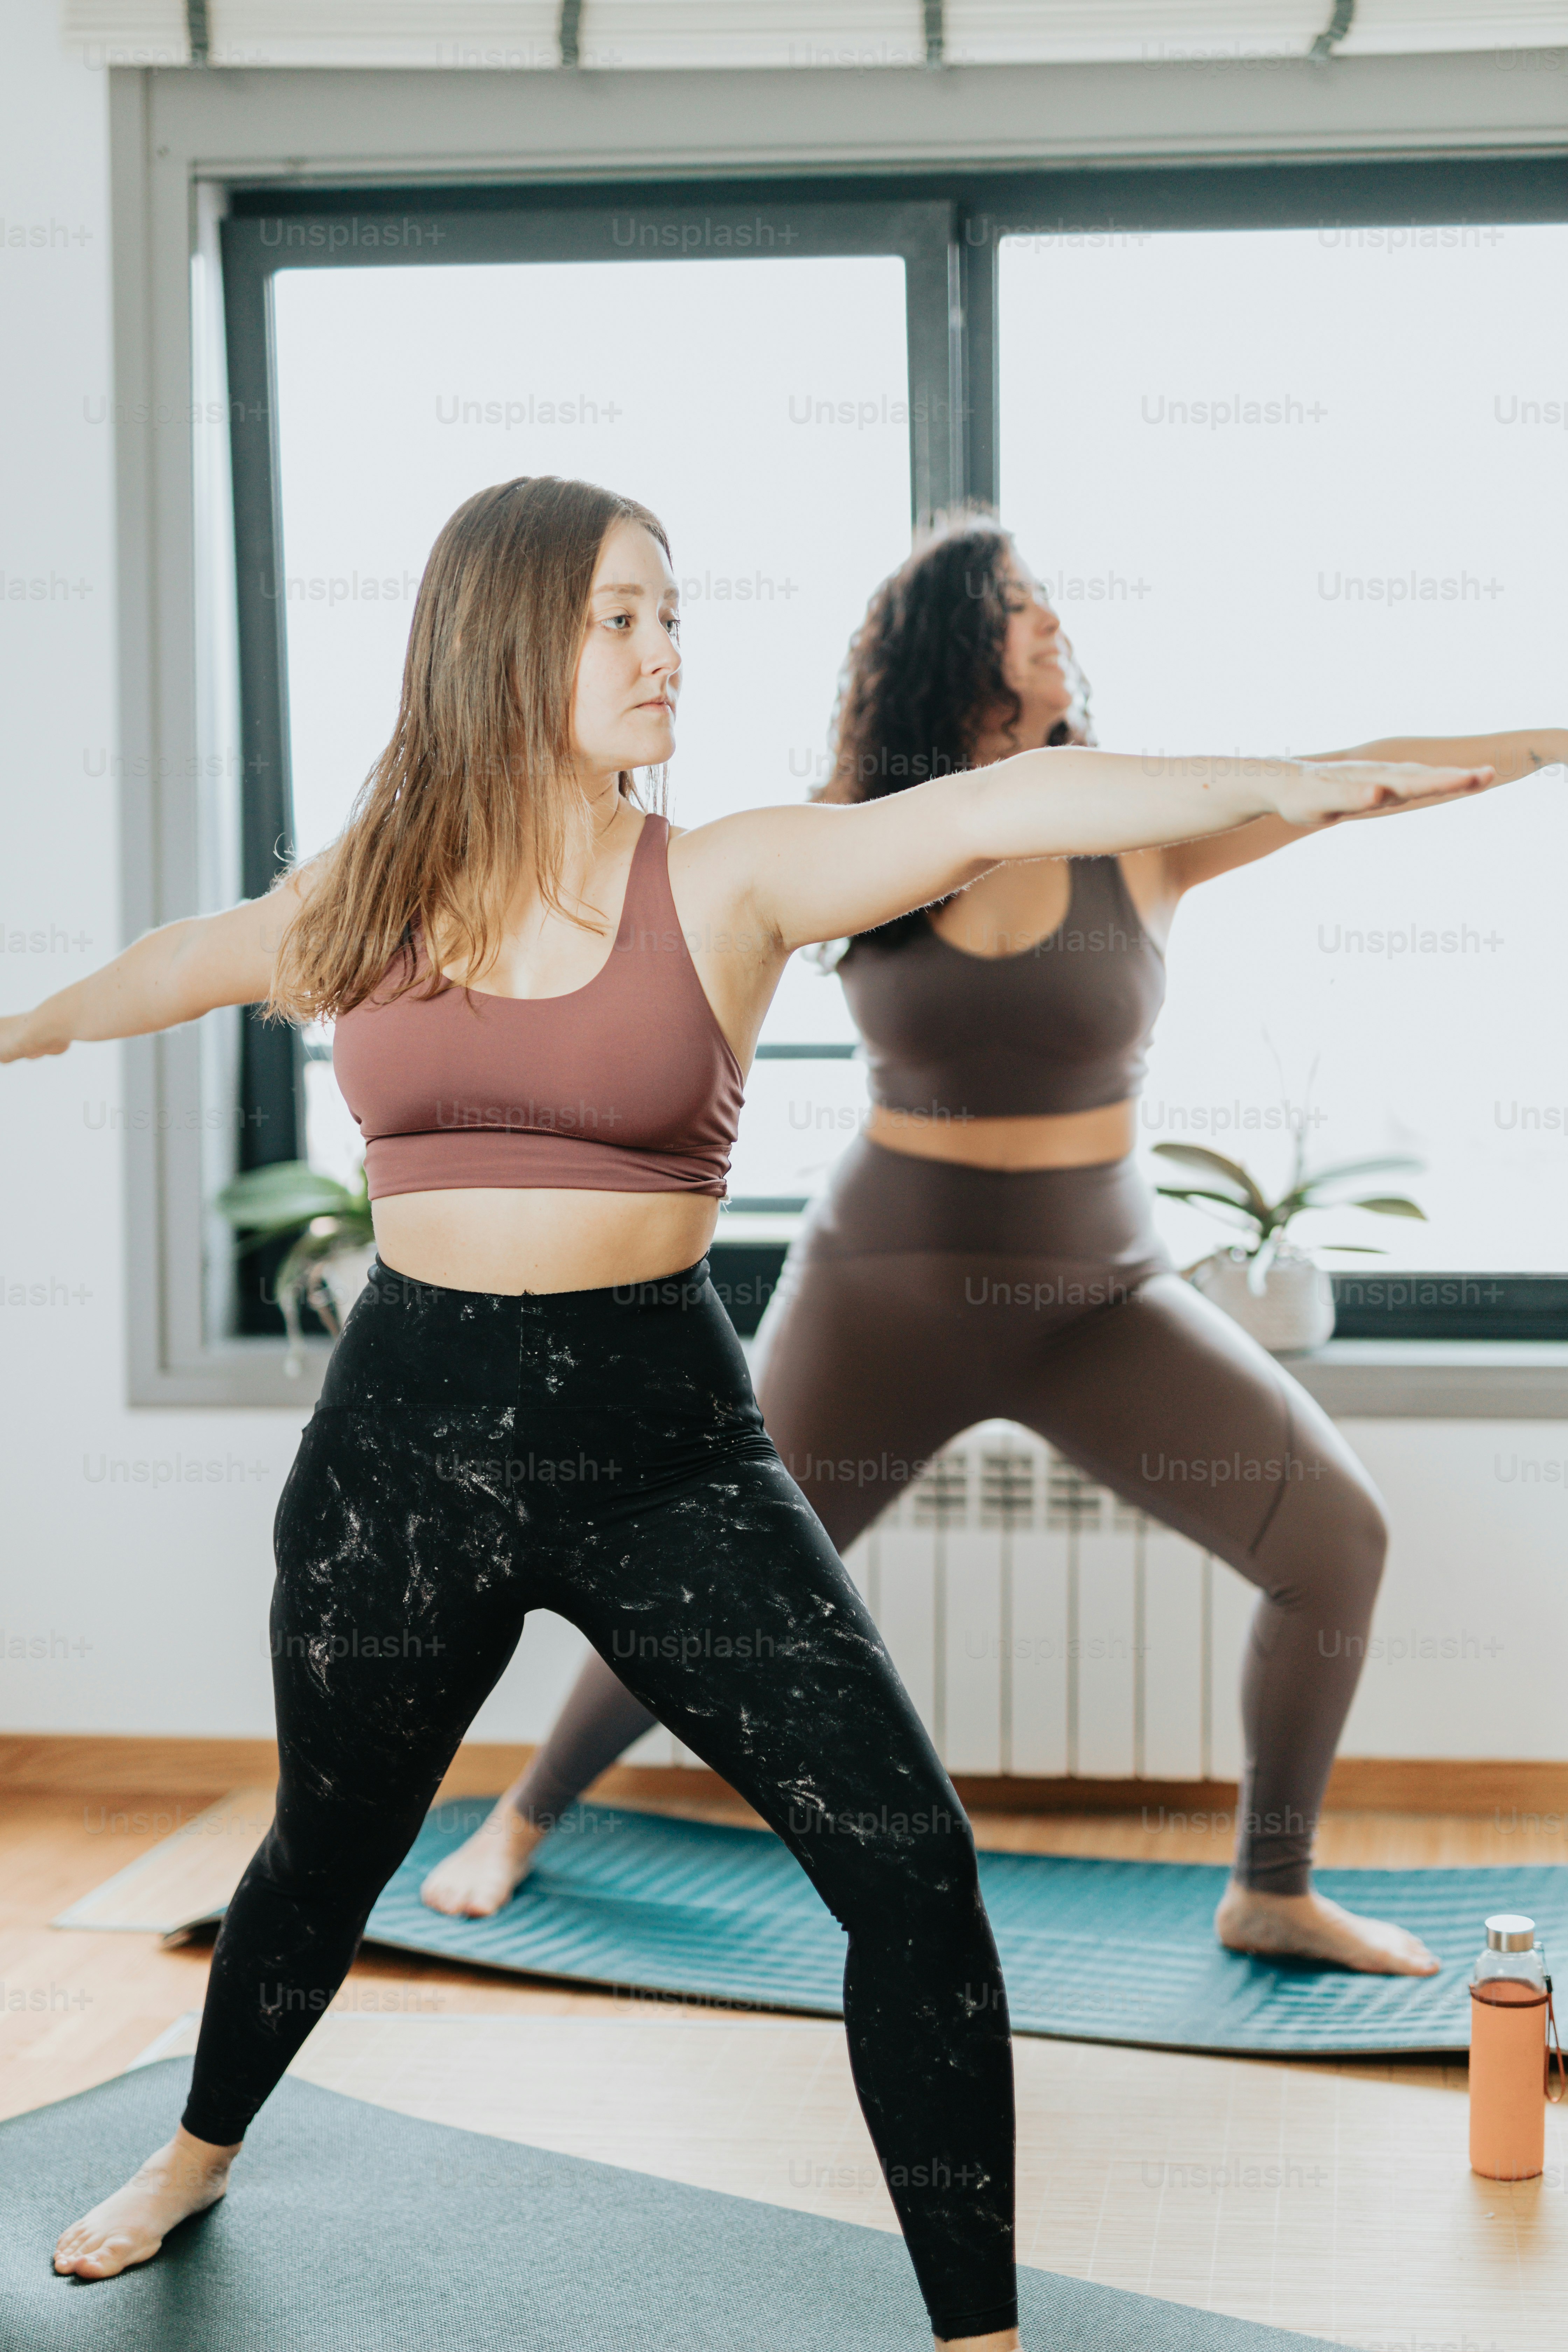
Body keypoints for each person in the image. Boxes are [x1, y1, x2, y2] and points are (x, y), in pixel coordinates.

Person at [5, 478, 1494, 2347]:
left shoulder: (727, 874)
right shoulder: (366, 901)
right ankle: (195, 2150)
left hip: (665, 1455)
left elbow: (1002, 806)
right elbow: (178, 965)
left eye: (673, 614)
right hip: (404, 1458)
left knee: (914, 1873)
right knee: (326, 1849)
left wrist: (1294, 771)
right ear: (500, 641)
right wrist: (17, 1030)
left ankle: (980, 2332)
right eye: (618, 618)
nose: (664, 653)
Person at [421, 508, 1558, 1981]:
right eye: (1016, 600)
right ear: (955, 645)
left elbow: (1358, 778)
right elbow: (651, 912)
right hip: (883, 1295)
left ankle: (1270, 1888)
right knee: (716, 1586)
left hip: (1102, 1297)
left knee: (1334, 1540)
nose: (1048, 619)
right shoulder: (882, 841)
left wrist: (1546, 740)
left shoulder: (1140, 835)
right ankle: (521, 1813)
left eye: (1045, 598)